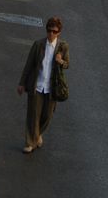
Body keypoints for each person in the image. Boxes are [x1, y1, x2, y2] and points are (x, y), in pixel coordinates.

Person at [17, 16, 69, 154]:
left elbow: (67, 64)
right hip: (37, 86)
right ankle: (30, 142)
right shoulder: (38, 44)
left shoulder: (63, 47)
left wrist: (60, 61)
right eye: (49, 30)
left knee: (47, 116)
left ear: (59, 33)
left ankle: (38, 134)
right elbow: (29, 64)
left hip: (52, 88)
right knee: (33, 116)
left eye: (54, 31)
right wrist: (22, 83)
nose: (51, 34)